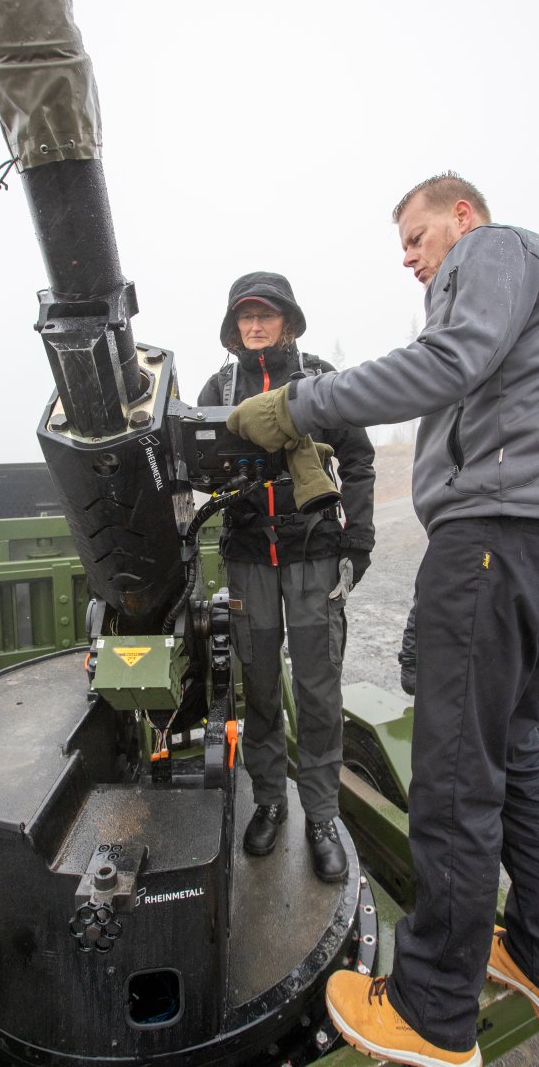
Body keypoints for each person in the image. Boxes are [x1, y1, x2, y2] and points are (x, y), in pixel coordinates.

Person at [226, 176, 539, 1067]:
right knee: (514, 755)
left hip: (494, 536)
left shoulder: (494, 251)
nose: (410, 256)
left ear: (461, 216)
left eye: (417, 235)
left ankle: (433, 1007)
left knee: (454, 775)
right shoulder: (522, 293)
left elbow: (444, 363)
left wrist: (295, 407)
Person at [198, 271, 376, 882]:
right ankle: (271, 800)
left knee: (320, 693)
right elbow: (192, 468)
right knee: (262, 689)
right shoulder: (217, 389)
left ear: (288, 322)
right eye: (244, 316)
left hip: (313, 558)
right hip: (249, 561)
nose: (254, 326)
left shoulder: (322, 382)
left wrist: (359, 542)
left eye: (264, 315)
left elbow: (357, 459)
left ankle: (321, 815)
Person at [399, 604, 539, 905]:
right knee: (460, 804)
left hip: (518, 699)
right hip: (463, 693)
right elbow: (430, 593)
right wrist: (414, 662)